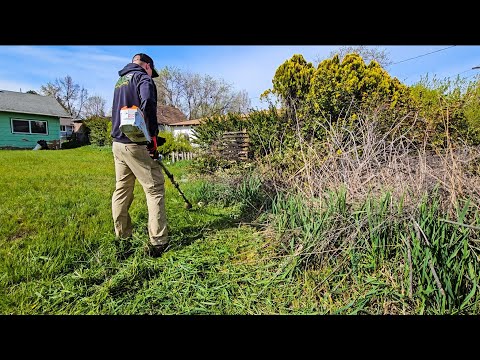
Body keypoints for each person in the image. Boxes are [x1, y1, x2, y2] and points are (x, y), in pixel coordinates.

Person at [110, 53, 168, 257]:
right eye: (152, 73)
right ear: (148, 66)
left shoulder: (120, 81)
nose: (151, 76)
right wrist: (152, 135)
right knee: (155, 189)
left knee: (122, 190)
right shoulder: (143, 77)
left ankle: (122, 237)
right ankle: (158, 242)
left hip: (117, 143)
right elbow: (149, 101)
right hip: (135, 143)